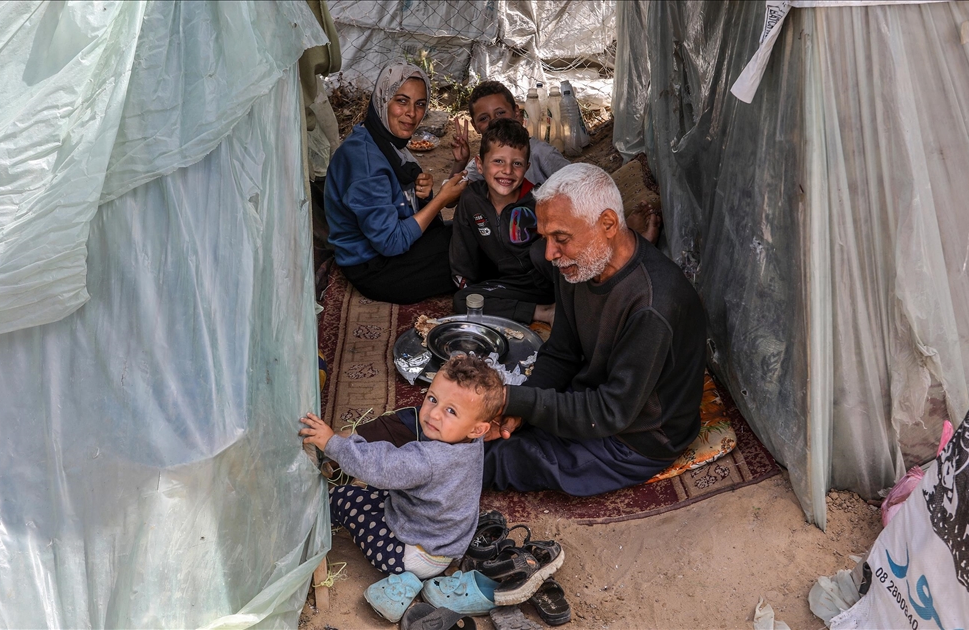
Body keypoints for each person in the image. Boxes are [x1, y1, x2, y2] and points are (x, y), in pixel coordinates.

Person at [481, 163, 708, 496]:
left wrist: (519, 400)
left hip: (636, 438)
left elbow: (611, 412)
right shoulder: (578, 265)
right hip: (594, 403)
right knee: (477, 430)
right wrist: (518, 410)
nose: (550, 253)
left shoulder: (653, 303)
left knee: (499, 460)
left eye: (560, 238)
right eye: (546, 238)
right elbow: (561, 352)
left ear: (608, 224)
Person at [299, 354, 503, 579]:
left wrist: (331, 443)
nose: (434, 414)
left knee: (342, 497)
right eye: (433, 399)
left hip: (410, 556)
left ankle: (311, 523)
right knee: (382, 488)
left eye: (451, 411)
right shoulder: (472, 441)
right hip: (449, 539)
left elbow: (379, 466)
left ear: (478, 429)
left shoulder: (427, 460)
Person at [325, 61, 467, 304]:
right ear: (383, 100)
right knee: (474, 248)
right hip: (376, 269)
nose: (411, 113)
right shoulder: (366, 162)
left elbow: (396, 208)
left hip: (382, 255)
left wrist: (424, 194)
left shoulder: (380, 140)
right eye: (401, 101)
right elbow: (390, 242)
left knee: (467, 232)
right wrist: (441, 200)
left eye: (420, 104)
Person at [450, 119, 555, 325]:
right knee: (465, 301)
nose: (507, 171)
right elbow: (463, 251)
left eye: (517, 163)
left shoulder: (540, 200)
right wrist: (470, 288)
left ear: (527, 167)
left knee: (540, 252)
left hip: (548, 280)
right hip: (510, 285)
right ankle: (543, 313)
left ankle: (565, 304)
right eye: (498, 161)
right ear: (480, 165)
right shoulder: (472, 199)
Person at [449, 81, 570, 187]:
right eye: (483, 118)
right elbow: (451, 199)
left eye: (500, 112)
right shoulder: (484, 160)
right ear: (475, 127)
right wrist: (460, 162)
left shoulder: (542, 153)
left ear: (516, 112)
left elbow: (579, 187)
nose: (494, 121)